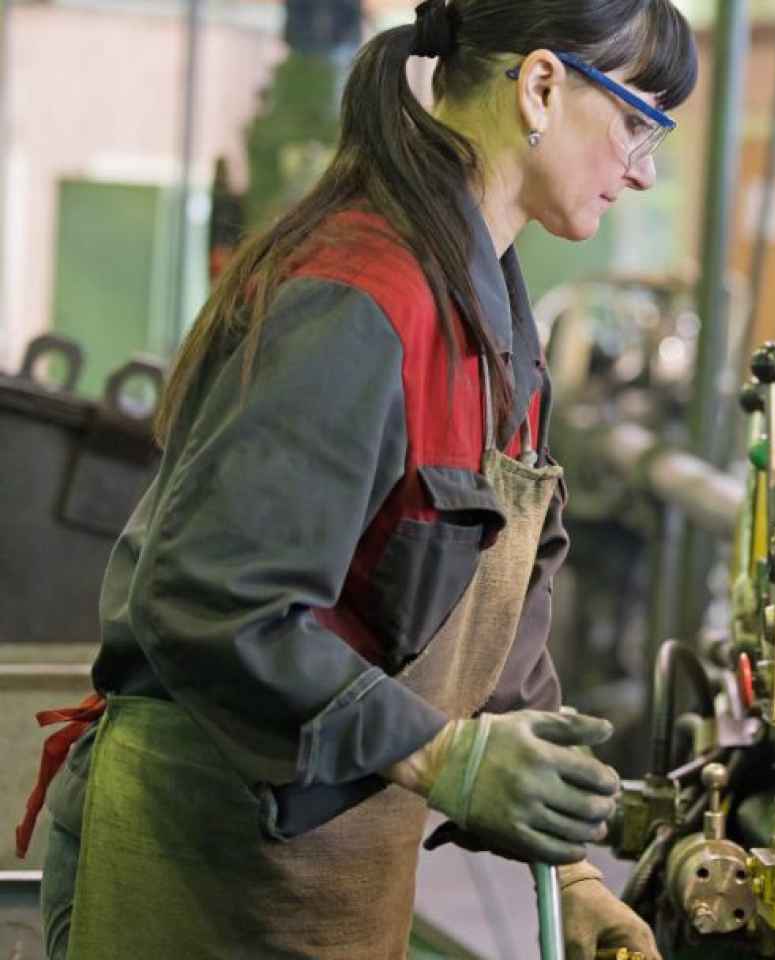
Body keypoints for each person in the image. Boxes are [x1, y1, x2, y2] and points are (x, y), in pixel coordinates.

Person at [14, 0, 695, 956]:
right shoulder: (362, 296)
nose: (644, 167)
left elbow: (484, 624)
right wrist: (447, 756)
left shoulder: (497, 325)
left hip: (328, 878)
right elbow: (217, 603)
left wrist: (569, 869)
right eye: (638, 120)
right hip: (199, 861)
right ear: (542, 86)